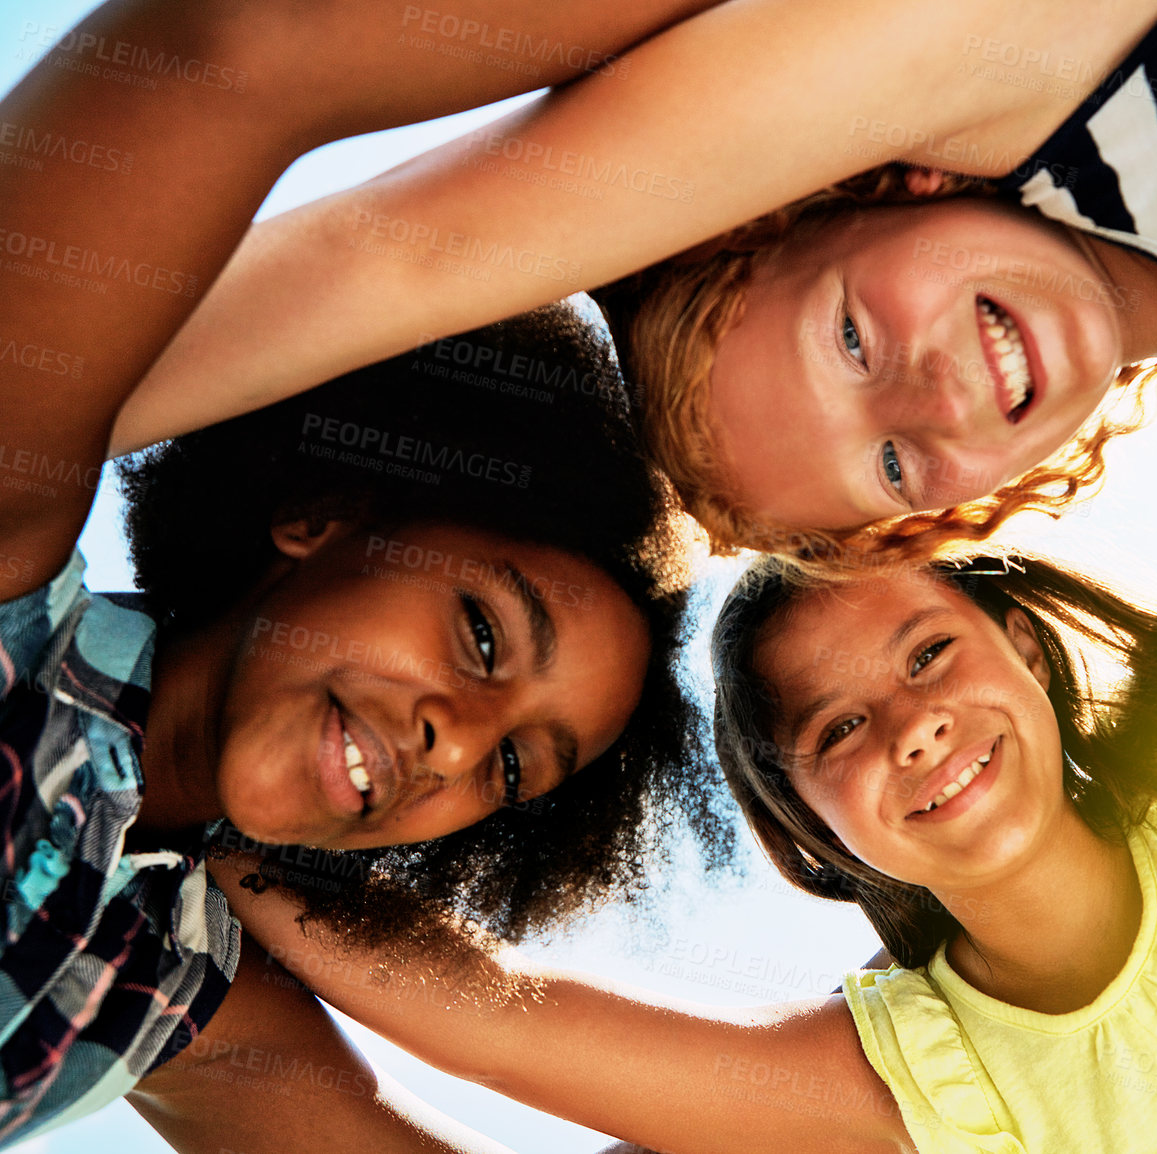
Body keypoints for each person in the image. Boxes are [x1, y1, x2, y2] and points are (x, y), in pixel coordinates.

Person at [218, 436, 1157, 1153]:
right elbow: (502, 1023)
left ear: (1031, 657)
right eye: (841, 729)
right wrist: (227, 838)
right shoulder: (927, 1075)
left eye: (930, 651)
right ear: (818, 838)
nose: (917, 726)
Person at [109, 0, 1157, 560]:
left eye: (846, 333)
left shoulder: (1045, 64)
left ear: (874, 186)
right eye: (891, 461)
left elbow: (409, 248)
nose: (933, 390)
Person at [0, 2, 732, 1146]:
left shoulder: (163, 982)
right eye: (485, 636)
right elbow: (222, 52)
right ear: (321, 515)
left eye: (511, 767)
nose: (457, 740)